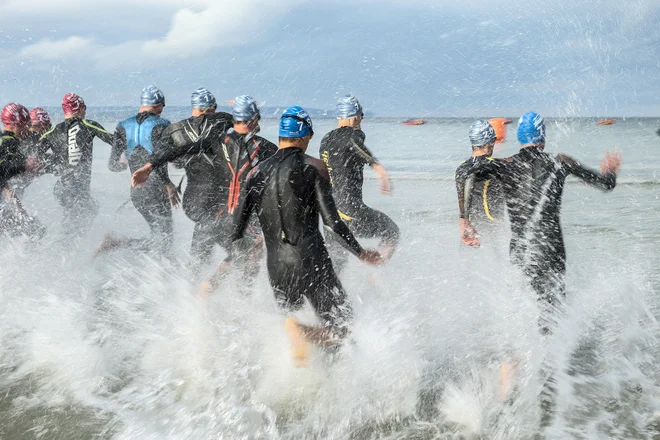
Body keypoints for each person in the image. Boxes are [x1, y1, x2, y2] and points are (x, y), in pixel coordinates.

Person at [231, 106, 381, 365]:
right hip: (311, 261)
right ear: (303, 136)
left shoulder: (255, 174)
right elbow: (333, 224)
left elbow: (236, 231)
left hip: (276, 268)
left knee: (298, 333)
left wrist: (246, 255)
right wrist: (361, 252)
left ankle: (305, 380)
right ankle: (306, 338)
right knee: (342, 330)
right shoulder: (313, 167)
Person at [96, 85, 179, 256]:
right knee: (165, 240)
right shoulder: (163, 125)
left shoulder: (122, 126)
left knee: (160, 237)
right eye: (162, 106)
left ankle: (118, 244)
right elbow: (163, 158)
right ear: (157, 105)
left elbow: (112, 165)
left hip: (137, 192)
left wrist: (126, 165)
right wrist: (168, 184)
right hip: (156, 189)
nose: (162, 110)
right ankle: (118, 243)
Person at [319, 95, 399, 273]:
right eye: (361, 115)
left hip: (330, 215)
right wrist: (381, 172)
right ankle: (377, 271)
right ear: (355, 116)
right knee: (392, 231)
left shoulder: (325, 140)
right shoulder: (353, 136)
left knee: (336, 266)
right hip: (352, 213)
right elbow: (358, 148)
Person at [38, 93, 114, 237]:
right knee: (80, 220)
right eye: (84, 108)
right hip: (77, 187)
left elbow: (35, 158)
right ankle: (62, 252)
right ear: (80, 108)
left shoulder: (52, 131)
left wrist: (55, 165)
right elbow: (116, 141)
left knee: (76, 218)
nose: (85, 112)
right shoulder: (88, 125)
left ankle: (60, 250)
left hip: (62, 187)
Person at [455, 120, 506, 247]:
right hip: (491, 229)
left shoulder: (461, 168)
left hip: (469, 232)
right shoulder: (493, 166)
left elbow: (461, 204)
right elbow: (472, 174)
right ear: (492, 141)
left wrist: (464, 224)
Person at [0, 103, 44, 240]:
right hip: (5, 204)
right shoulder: (8, 144)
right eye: (27, 123)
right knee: (36, 232)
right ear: (18, 124)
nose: (29, 128)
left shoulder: (6, 141)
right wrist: (25, 166)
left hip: (5, 204)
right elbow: (2, 172)